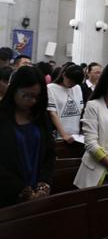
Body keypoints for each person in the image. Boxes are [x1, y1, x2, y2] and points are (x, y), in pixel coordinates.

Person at [0, 66, 55, 207]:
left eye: (36, 96)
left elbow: (49, 154)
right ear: (14, 90)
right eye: (26, 95)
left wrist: (44, 183)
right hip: (7, 195)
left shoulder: (40, 116)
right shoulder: (3, 117)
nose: (32, 101)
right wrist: (22, 191)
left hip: (38, 195)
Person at [47, 65, 85, 142]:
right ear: (63, 75)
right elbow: (52, 113)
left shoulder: (77, 88)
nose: (72, 85)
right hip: (59, 137)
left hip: (76, 136)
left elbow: (81, 110)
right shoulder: (51, 88)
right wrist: (64, 134)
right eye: (70, 81)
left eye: (75, 83)